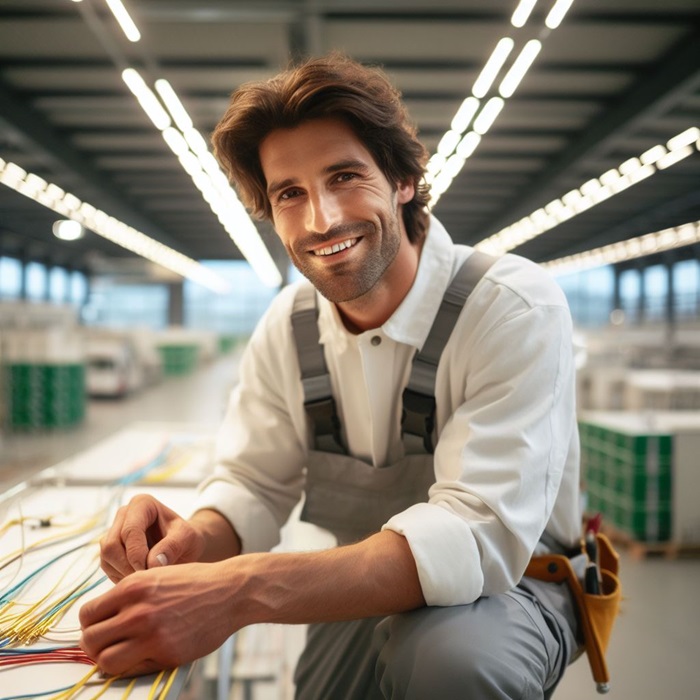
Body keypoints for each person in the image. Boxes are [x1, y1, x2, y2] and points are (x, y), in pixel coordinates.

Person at [79, 53, 583, 699]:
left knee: (451, 664)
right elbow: (254, 483)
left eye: (345, 176)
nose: (321, 220)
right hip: (357, 581)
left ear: (402, 179)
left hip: (512, 586)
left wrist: (242, 591)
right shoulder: (288, 325)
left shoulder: (509, 305)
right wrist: (187, 542)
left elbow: (479, 534)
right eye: (290, 193)